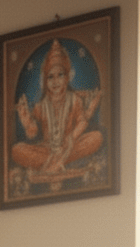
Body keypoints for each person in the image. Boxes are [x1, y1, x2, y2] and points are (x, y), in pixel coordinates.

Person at [11, 39, 103, 176]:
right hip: (47, 149)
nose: (55, 81)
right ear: (45, 81)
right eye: (50, 77)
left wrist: (71, 138)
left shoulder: (74, 100)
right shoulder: (41, 106)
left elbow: (83, 121)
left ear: (67, 77)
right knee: (16, 150)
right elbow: (32, 133)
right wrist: (27, 122)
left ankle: (52, 164)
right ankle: (58, 161)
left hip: (70, 146)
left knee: (96, 137)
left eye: (60, 75)